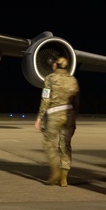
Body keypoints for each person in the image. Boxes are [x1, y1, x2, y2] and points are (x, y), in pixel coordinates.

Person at [35, 56, 80, 187]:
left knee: (48, 143)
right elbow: (77, 100)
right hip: (69, 114)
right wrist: (74, 116)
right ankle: (64, 178)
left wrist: (39, 118)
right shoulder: (73, 80)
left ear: (56, 65)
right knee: (65, 146)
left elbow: (45, 99)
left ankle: (55, 170)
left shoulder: (50, 78)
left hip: (54, 114)